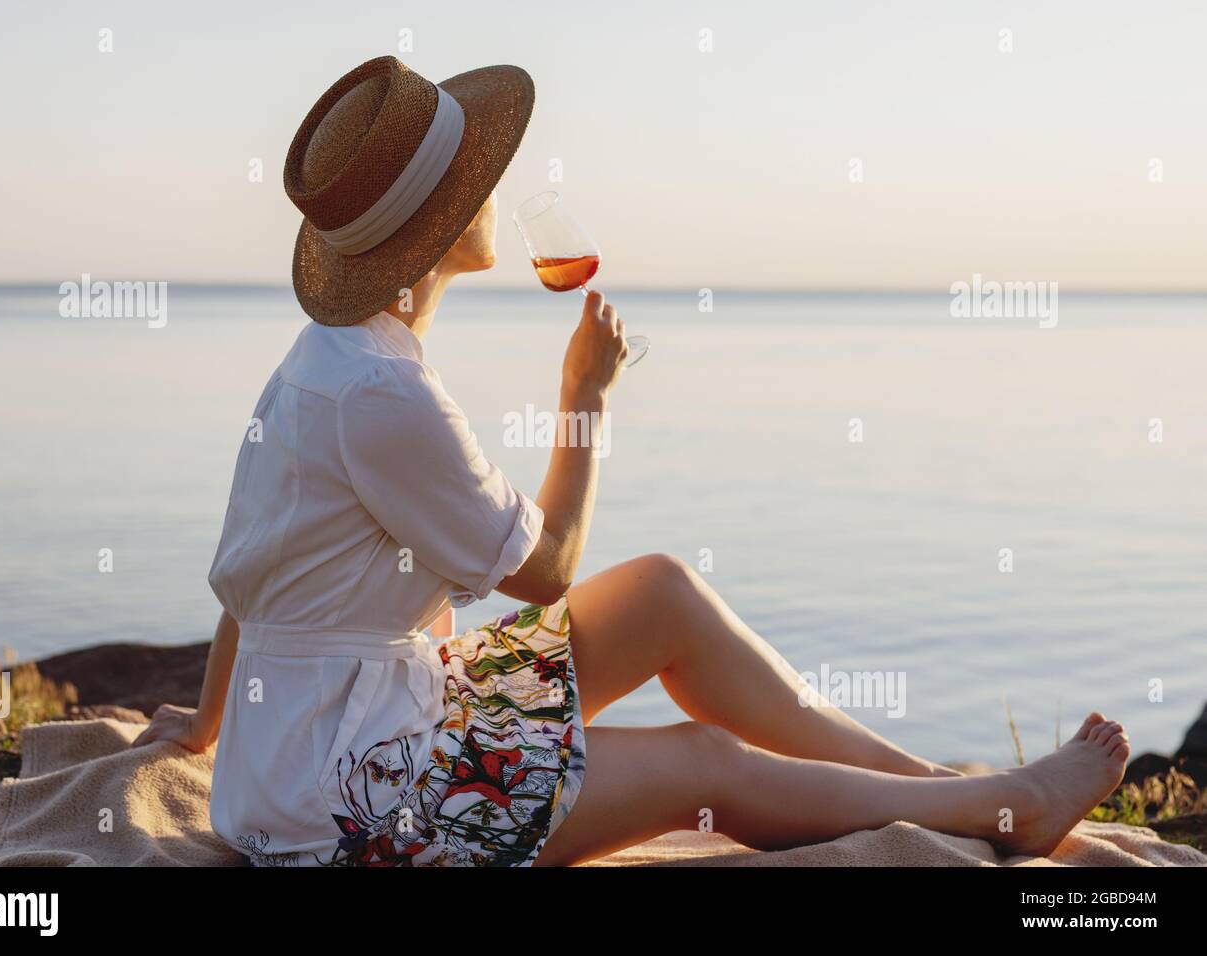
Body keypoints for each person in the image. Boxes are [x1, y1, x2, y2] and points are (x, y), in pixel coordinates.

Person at [134, 56, 1129, 867]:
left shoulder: (328, 363)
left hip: (349, 732)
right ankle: (997, 807)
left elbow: (246, 586)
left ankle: (958, 797)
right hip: (358, 805)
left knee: (661, 589)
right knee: (702, 761)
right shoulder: (380, 392)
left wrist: (209, 727)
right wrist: (585, 400)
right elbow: (548, 567)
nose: (497, 185)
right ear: (437, 222)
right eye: (477, 174)